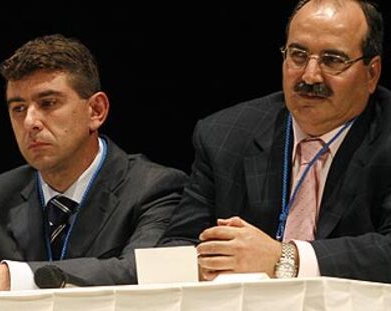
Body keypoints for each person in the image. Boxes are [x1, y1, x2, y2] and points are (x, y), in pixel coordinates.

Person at [160, 0, 391, 283]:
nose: (310, 75)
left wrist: (285, 258)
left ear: (371, 73)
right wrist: (212, 258)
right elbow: (177, 247)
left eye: (333, 60)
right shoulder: (224, 135)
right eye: (298, 55)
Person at [0, 34, 187, 291]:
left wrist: (11, 279)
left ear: (96, 110)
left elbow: (146, 272)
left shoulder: (154, 188)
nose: (31, 121)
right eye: (18, 108)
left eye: (48, 103)